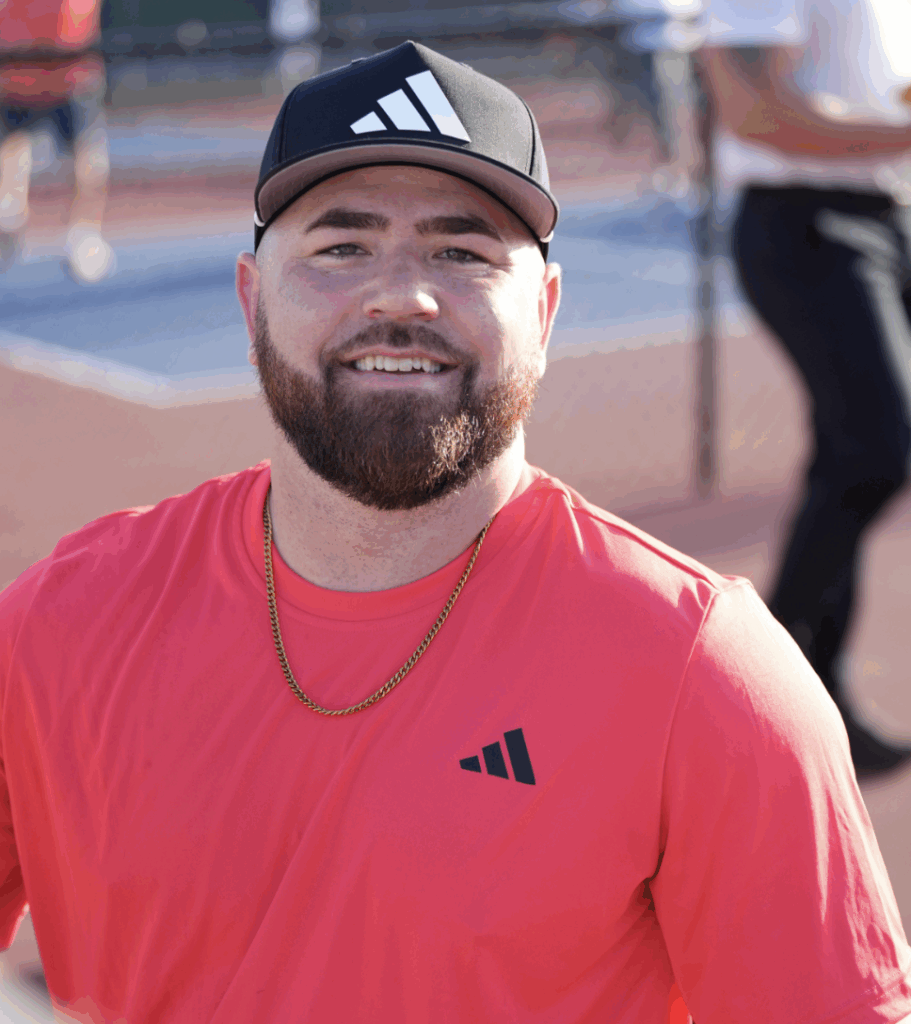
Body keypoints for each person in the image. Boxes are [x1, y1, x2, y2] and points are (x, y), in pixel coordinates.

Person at [2, 40, 911, 1024]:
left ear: (546, 311)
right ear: (249, 298)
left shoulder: (706, 677)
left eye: (462, 251)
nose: (401, 294)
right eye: (340, 247)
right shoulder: (62, 622)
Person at [697, 0, 911, 777]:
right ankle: (769, 681)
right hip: (806, 222)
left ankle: (808, 690)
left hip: (887, 215)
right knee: (873, 452)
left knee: (857, 460)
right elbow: (751, 111)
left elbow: (879, 95)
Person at [0, 0, 114, 283]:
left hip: (71, 74)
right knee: (11, 153)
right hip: (13, 76)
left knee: (89, 161)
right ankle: (8, 221)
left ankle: (84, 236)